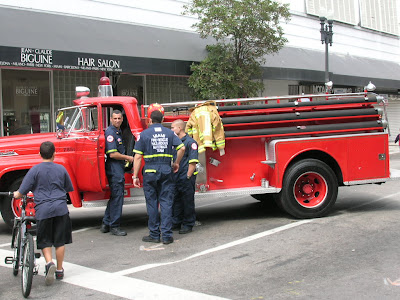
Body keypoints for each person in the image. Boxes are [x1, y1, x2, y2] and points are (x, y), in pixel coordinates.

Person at [13, 141, 74, 286]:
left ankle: (49, 263)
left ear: (40, 154)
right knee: (59, 241)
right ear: (54, 153)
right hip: (60, 208)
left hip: (43, 210)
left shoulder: (35, 170)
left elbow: (22, 191)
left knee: (45, 239)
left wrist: (17, 194)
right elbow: (68, 187)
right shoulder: (61, 169)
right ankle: (59, 270)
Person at [133, 109, 185, 245]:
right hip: (166, 171)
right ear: (162, 120)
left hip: (150, 171)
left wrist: (135, 176)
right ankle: (167, 236)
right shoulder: (170, 133)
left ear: (150, 121)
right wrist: (176, 163)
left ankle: (154, 235)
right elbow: (182, 148)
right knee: (166, 203)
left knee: (152, 203)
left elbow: (138, 156)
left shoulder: (143, 135)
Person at [100, 109, 134, 236]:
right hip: (114, 168)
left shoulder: (118, 131)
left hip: (117, 168)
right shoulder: (110, 132)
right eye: (115, 118)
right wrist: (128, 158)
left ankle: (105, 223)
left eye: (119, 118)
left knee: (115, 196)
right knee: (118, 197)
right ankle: (114, 226)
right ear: (110, 119)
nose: (117, 120)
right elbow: (113, 154)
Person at [171, 119, 199, 234]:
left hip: (186, 177)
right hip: (176, 177)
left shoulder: (190, 142)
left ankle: (188, 224)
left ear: (180, 128)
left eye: (173, 128)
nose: (171, 130)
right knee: (176, 200)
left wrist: (188, 177)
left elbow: (193, 162)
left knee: (187, 201)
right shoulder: (175, 142)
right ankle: (176, 222)